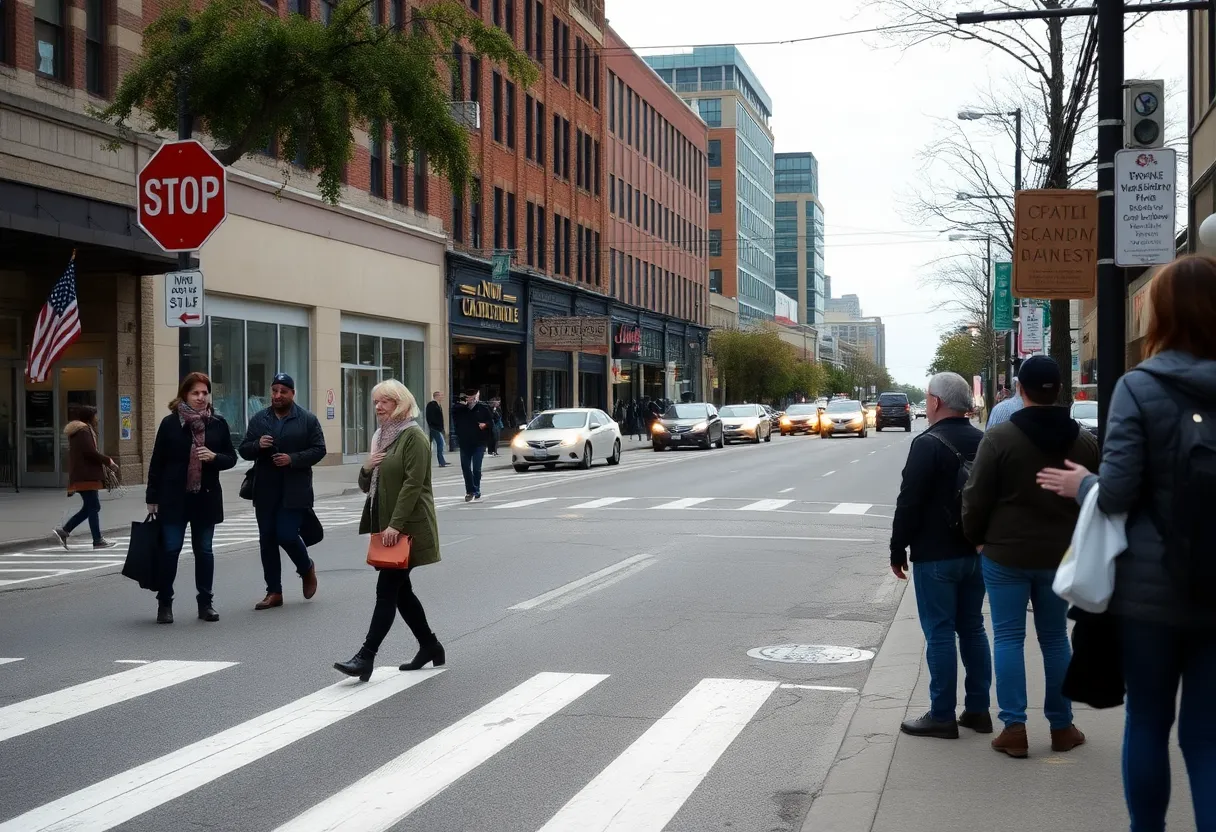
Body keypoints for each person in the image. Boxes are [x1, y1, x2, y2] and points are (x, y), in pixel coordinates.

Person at [1038, 254, 1216, 829]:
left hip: (1149, 592)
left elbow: (1115, 495)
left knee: (1147, 724)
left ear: (1159, 315)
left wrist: (1081, 482)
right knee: (1208, 740)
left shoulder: (1140, 388)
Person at [961, 355, 1097, 758]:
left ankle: (1015, 729)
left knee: (1007, 637)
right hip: (1060, 555)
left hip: (1005, 554)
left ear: (1019, 390)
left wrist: (978, 539)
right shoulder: (1084, 441)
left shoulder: (1000, 438)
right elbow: (1096, 496)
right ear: (1060, 390)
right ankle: (1062, 726)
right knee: (1056, 639)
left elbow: (975, 496)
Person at [890, 372, 992, 739]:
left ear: (934, 401)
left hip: (935, 555)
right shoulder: (985, 442)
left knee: (940, 633)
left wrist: (897, 548)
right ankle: (979, 710)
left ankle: (942, 714)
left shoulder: (927, 444)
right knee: (974, 628)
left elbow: (910, 502)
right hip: (977, 552)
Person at [335, 380, 444, 680]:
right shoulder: (381, 438)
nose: (378, 407)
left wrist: (395, 524)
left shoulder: (414, 437)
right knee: (401, 592)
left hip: (408, 527)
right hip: (389, 527)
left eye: (385, 401)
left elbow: (413, 484)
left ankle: (365, 657)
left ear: (401, 403)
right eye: (376, 402)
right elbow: (366, 487)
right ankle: (430, 646)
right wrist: (367, 466)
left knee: (387, 590)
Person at [145, 372, 237, 624]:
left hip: (205, 498)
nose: (200, 397)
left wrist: (215, 458)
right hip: (173, 498)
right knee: (171, 549)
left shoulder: (217, 424)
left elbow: (231, 457)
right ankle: (165, 603)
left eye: (204, 393)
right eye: (195, 392)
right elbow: (157, 462)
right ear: (184, 394)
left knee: (204, 551)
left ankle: (205, 603)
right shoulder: (170, 423)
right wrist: (152, 497)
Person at [239, 373, 326, 610]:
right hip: (265, 489)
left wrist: (292, 458)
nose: (277, 396)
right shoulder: (260, 419)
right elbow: (244, 450)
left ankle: (306, 568)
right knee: (267, 539)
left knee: (286, 534)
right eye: (274, 390)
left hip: (295, 489)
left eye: (283, 392)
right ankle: (274, 592)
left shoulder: (307, 419)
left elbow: (319, 449)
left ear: (292, 394)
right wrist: (258, 445)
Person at [53, 405, 118, 550]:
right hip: (85, 475)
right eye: (95, 415)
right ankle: (97, 540)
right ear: (90, 417)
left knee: (91, 506)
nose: (97, 418)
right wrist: (108, 461)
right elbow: (90, 452)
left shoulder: (80, 430)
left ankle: (65, 531)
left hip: (82, 474)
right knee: (93, 506)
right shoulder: (83, 431)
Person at [451, 387, 493, 502]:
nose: (470, 399)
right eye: (468, 397)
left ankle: (476, 489)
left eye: (472, 397)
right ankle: (470, 491)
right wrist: (463, 404)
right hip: (465, 443)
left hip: (479, 442)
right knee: (465, 468)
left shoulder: (483, 408)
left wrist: (485, 425)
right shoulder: (460, 409)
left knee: (476, 468)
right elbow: (454, 412)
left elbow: (491, 422)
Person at [424, 391, 449, 468]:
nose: (442, 397)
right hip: (434, 428)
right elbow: (430, 417)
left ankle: (442, 461)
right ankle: (441, 462)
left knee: (437, 444)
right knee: (440, 443)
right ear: (436, 396)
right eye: (441, 395)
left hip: (438, 428)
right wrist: (434, 426)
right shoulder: (431, 405)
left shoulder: (438, 405)